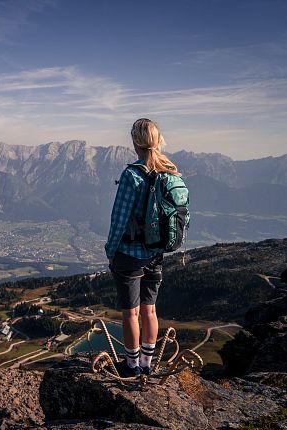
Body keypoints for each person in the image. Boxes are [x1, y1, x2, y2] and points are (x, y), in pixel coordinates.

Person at [104, 118, 180, 377]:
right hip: (156, 253)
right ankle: (147, 364)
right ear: (158, 140)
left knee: (130, 313)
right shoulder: (169, 170)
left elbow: (119, 218)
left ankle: (131, 365)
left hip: (130, 254)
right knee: (150, 310)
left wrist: (111, 251)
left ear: (135, 142)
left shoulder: (132, 174)